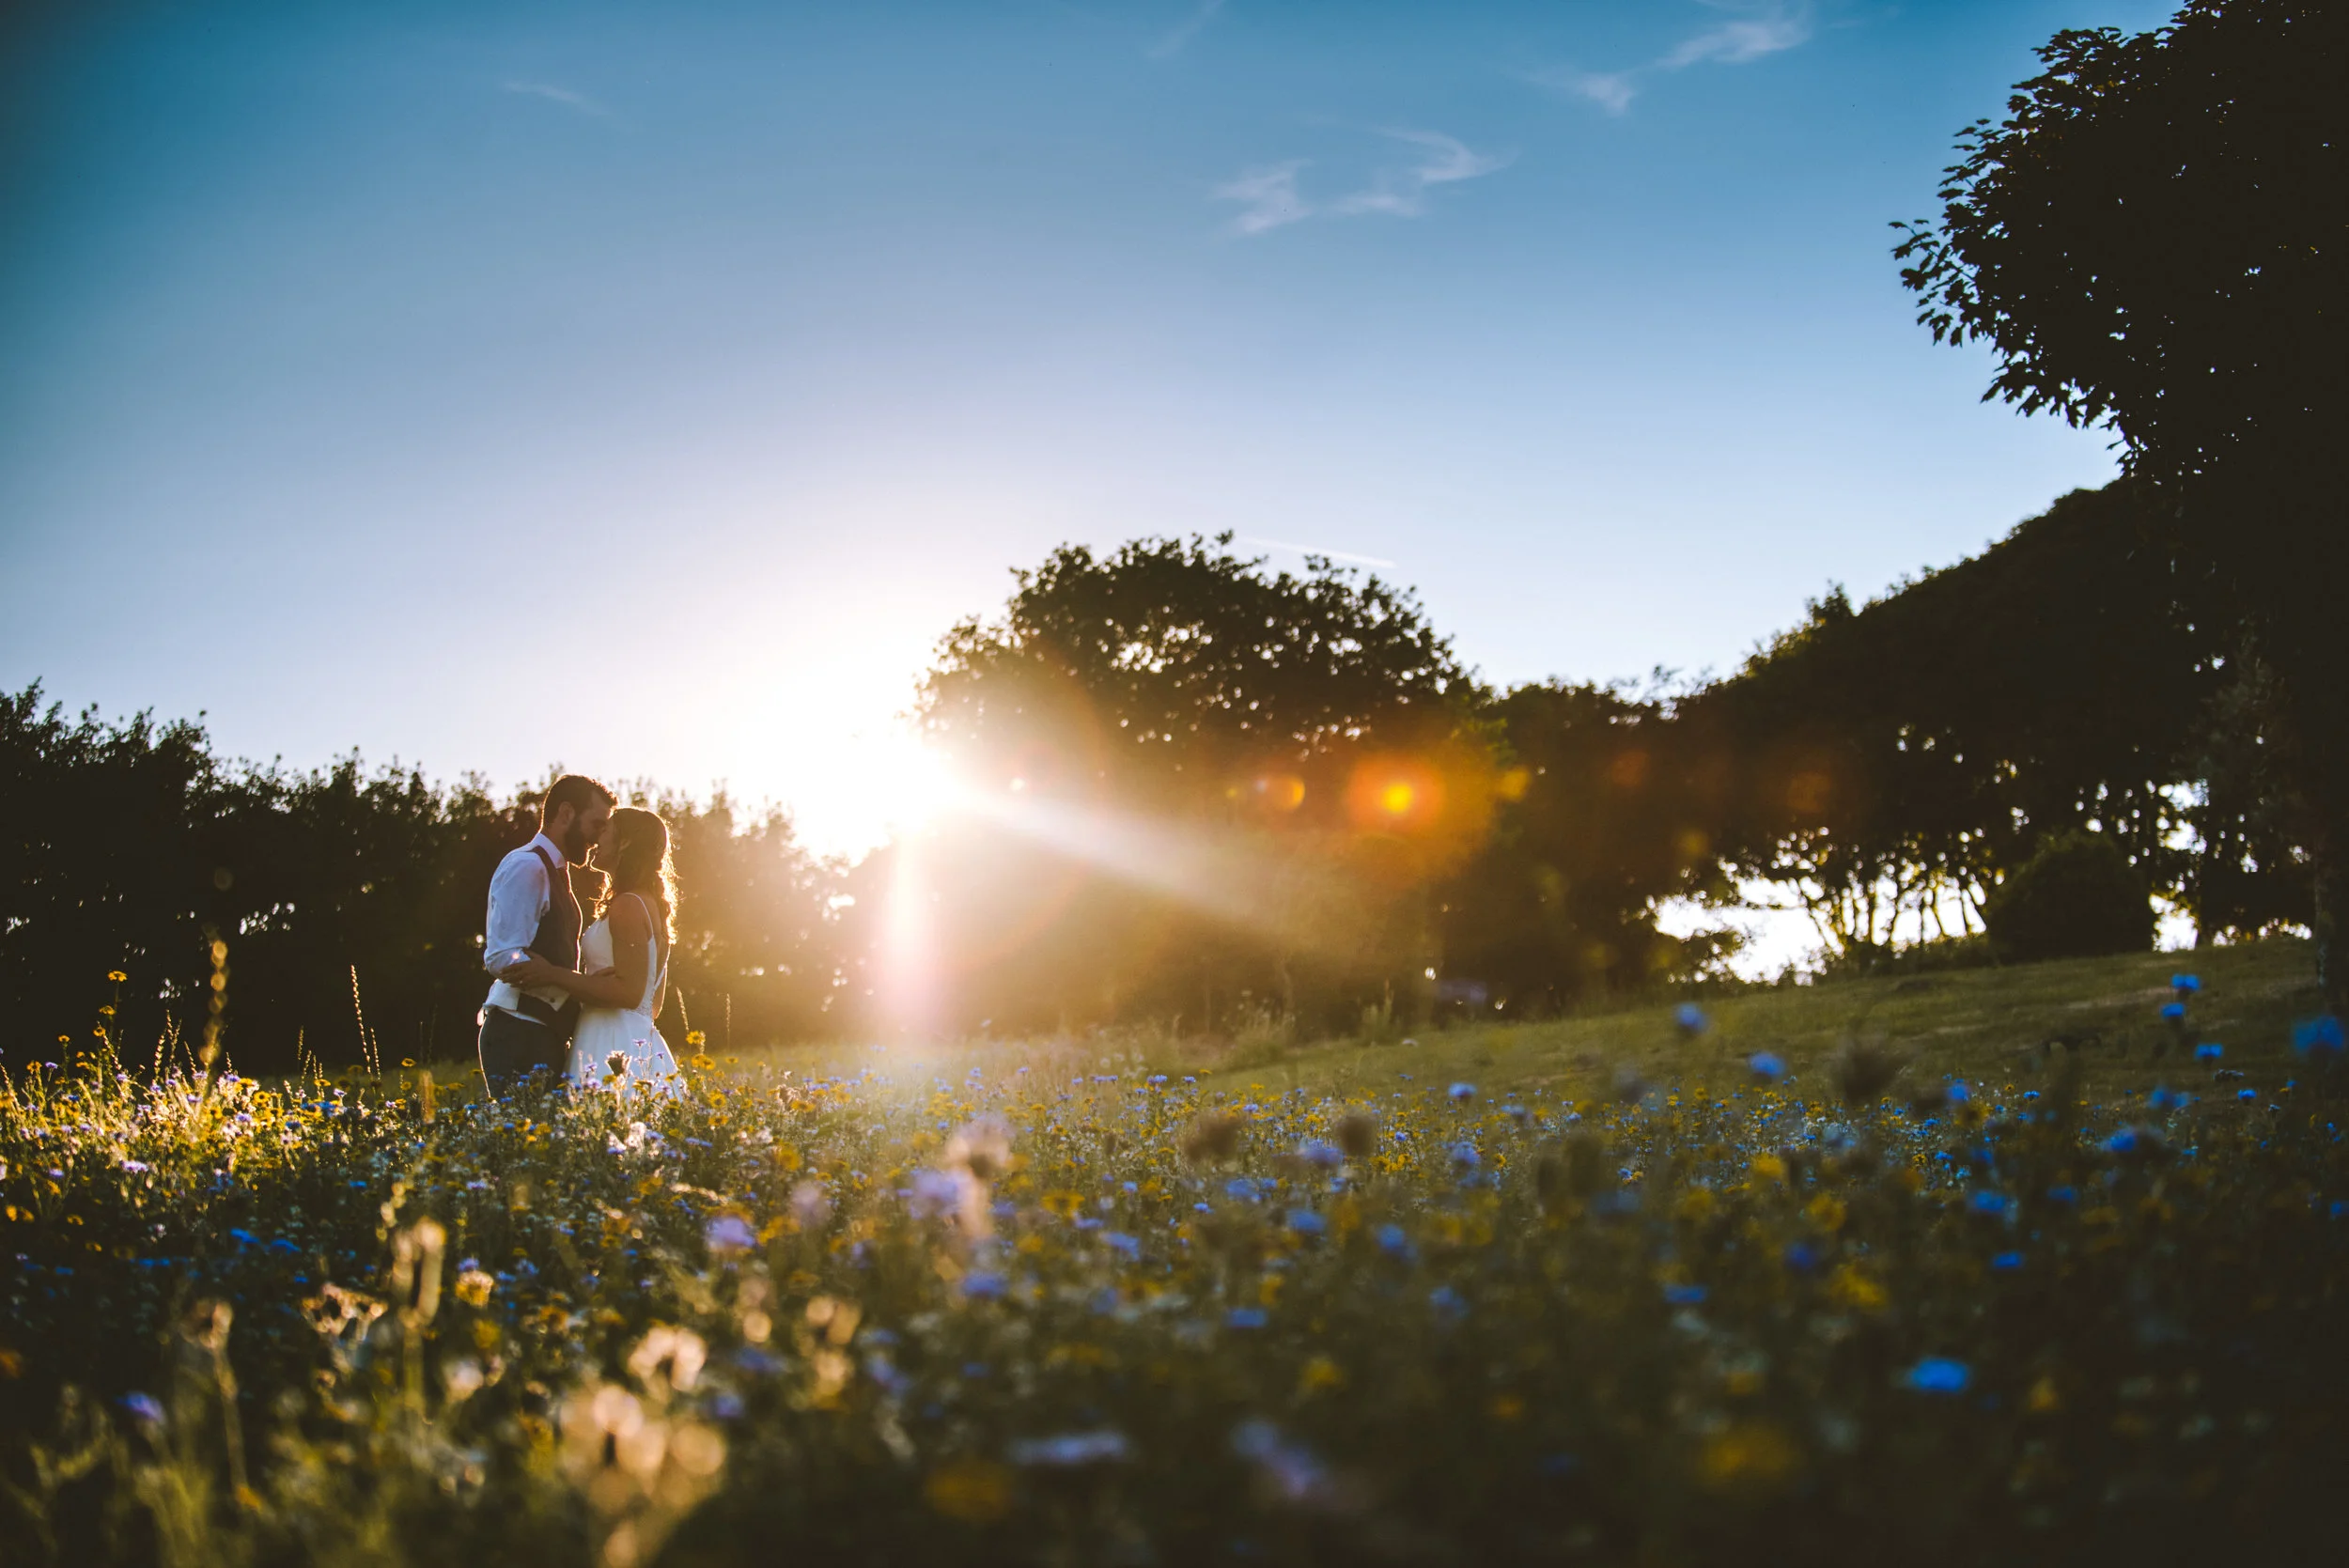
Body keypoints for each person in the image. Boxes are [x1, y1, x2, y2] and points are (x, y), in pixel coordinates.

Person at [496, 805, 686, 1098]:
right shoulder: (649, 906)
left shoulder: (628, 905)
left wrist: (553, 974)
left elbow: (630, 993)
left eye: (605, 830)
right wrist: (595, 986)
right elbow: (652, 1003)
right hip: (635, 1037)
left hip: (611, 1041)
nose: (596, 839)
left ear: (624, 843)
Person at [477, 773, 614, 1094]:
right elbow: (501, 955)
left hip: (541, 1031)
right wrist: (561, 981)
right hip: (519, 1031)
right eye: (596, 824)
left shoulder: (556, 872)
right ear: (566, 813)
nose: (598, 838)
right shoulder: (528, 866)